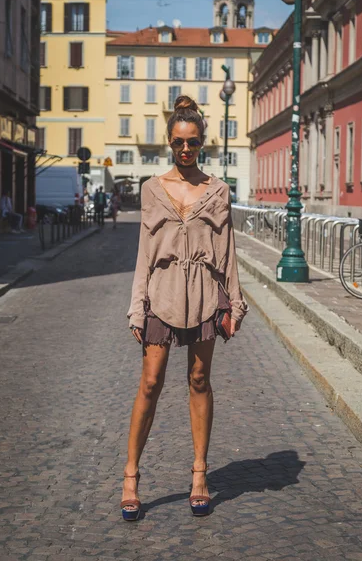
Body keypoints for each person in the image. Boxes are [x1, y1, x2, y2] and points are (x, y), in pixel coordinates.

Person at [122, 96, 248, 521]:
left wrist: (235, 302)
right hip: (163, 294)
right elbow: (143, 252)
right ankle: (130, 476)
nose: (186, 150)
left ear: (203, 142)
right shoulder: (152, 190)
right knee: (151, 382)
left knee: (199, 379)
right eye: (178, 142)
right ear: (169, 143)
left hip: (205, 297)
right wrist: (137, 306)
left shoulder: (218, 191)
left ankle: (199, 475)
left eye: (193, 142)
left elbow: (228, 252)